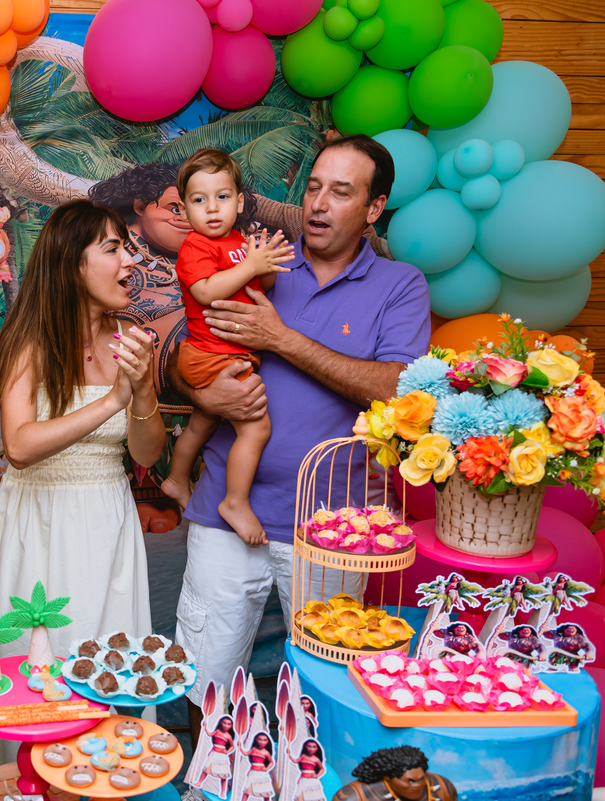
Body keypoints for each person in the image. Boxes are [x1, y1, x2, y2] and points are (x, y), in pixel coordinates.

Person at [171, 135, 431, 728]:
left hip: (333, 525)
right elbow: (192, 347)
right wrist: (200, 390)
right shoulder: (256, 258)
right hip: (223, 514)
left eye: (340, 193)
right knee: (206, 676)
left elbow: (399, 390)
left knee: (329, 683)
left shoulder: (400, 285)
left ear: (373, 209)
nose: (318, 203)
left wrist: (280, 337)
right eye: (313, 187)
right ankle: (206, 785)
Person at [0, 199, 165, 659]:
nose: (129, 260)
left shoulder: (130, 336)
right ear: (72, 264)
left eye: (127, 248)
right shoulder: (28, 341)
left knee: (109, 660)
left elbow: (145, 455)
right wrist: (111, 402)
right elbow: (19, 447)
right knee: (41, 663)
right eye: (112, 249)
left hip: (108, 518)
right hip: (42, 522)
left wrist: (142, 391)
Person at [161, 149, 295, 544]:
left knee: (203, 421)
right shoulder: (197, 247)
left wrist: (264, 268)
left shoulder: (240, 243)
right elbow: (205, 291)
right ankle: (234, 502)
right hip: (210, 355)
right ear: (184, 209)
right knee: (256, 428)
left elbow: (253, 288)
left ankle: (175, 479)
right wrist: (250, 267)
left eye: (222, 197)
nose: (212, 208)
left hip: (226, 352)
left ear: (239, 202)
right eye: (199, 200)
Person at [332, 746, 457, 801]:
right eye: (411, 781)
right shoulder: (355, 797)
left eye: (421, 779)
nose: (418, 785)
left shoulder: (443, 786)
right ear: (388, 778)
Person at [239, 732, 276, 801]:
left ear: (268, 742)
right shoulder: (254, 749)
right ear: (256, 739)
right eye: (260, 739)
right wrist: (240, 747)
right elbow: (246, 753)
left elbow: (271, 762)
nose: (262, 742)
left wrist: (266, 768)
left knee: (265, 791)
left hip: (262, 773)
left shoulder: (266, 752)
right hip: (253, 772)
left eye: (264, 740)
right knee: (247, 789)